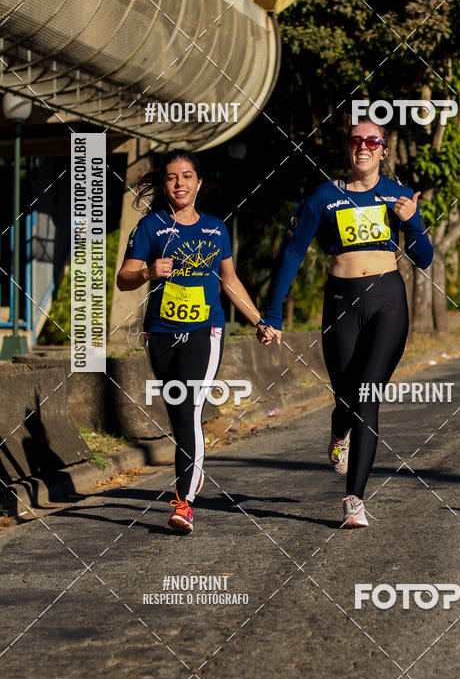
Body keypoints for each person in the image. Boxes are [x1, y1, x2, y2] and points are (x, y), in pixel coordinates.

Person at [257, 118, 434, 528]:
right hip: (340, 303)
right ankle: (340, 433)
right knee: (345, 397)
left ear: (383, 151)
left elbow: (423, 258)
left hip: (388, 302)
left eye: (372, 141)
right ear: (348, 149)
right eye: (356, 140)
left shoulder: (397, 194)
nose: (364, 146)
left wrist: (413, 219)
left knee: (367, 394)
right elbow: (291, 254)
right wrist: (273, 312)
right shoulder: (324, 196)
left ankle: (354, 499)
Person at [117, 148, 266, 533]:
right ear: (164, 185)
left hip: (205, 328)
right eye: (171, 177)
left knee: (189, 409)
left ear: (199, 182)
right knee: (177, 412)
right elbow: (124, 277)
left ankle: (184, 501)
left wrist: (258, 320)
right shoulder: (149, 227)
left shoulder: (216, 228)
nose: (179, 183)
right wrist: (149, 272)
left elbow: (229, 281)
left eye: (186, 176)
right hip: (160, 332)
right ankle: (189, 480)